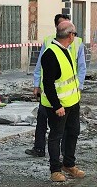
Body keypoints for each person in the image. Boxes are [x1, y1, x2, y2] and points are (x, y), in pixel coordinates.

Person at [27, 14, 85, 157]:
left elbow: (81, 68)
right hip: (52, 98)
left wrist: (78, 88)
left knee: (71, 130)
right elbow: (41, 69)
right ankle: (43, 153)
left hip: (71, 98)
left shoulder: (75, 45)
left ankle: (67, 157)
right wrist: (37, 85)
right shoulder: (50, 47)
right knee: (51, 129)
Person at [39, 20, 85, 182]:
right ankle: (55, 170)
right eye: (74, 34)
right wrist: (57, 105)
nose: (74, 37)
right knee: (56, 136)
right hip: (58, 106)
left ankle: (69, 164)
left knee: (73, 132)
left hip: (72, 102)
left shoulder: (65, 50)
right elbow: (48, 83)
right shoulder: (51, 53)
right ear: (70, 35)